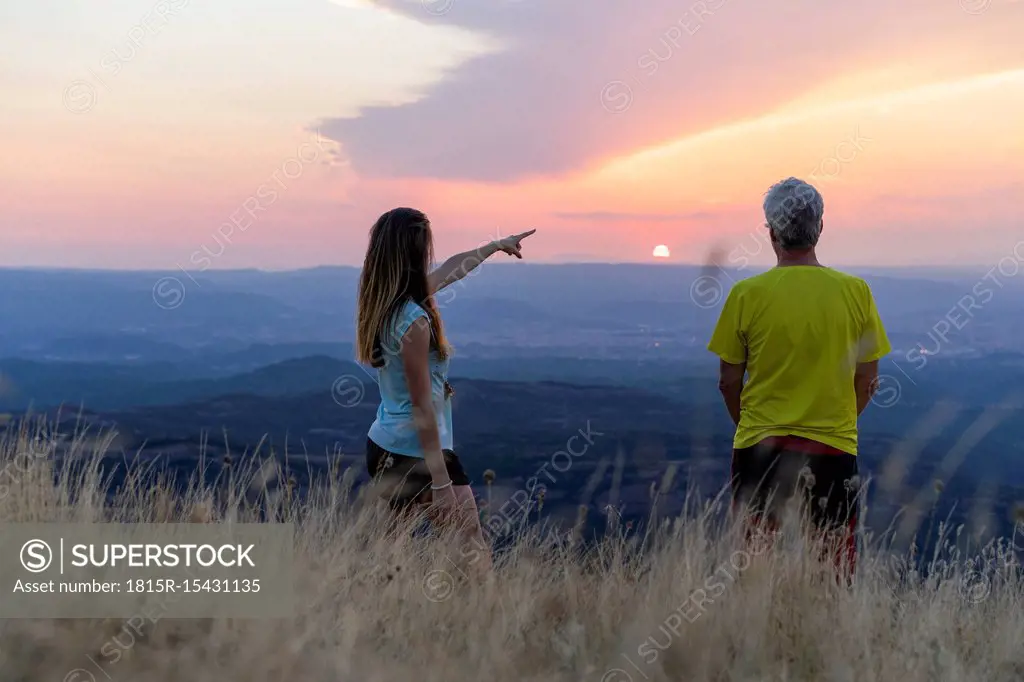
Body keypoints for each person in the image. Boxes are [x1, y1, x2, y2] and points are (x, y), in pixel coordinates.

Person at [707, 177, 891, 580]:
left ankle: (755, 639)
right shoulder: (856, 292)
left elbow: (728, 381)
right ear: (820, 227)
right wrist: (842, 419)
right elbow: (868, 379)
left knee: (752, 565)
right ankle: (824, 637)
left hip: (760, 445)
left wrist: (750, 425)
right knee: (833, 567)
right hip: (833, 446)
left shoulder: (745, 295)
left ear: (770, 230)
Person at [355, 206, 536, 571]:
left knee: (390, 557)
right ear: (415, 250)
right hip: (418, 452)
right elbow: (421, 407)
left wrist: (494, 246)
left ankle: (373, 617)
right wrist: (440, 481)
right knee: (472, 547)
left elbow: (450, 271)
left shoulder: (386, 303)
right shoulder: (415, 320)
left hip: (384, 444)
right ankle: (494, 621)